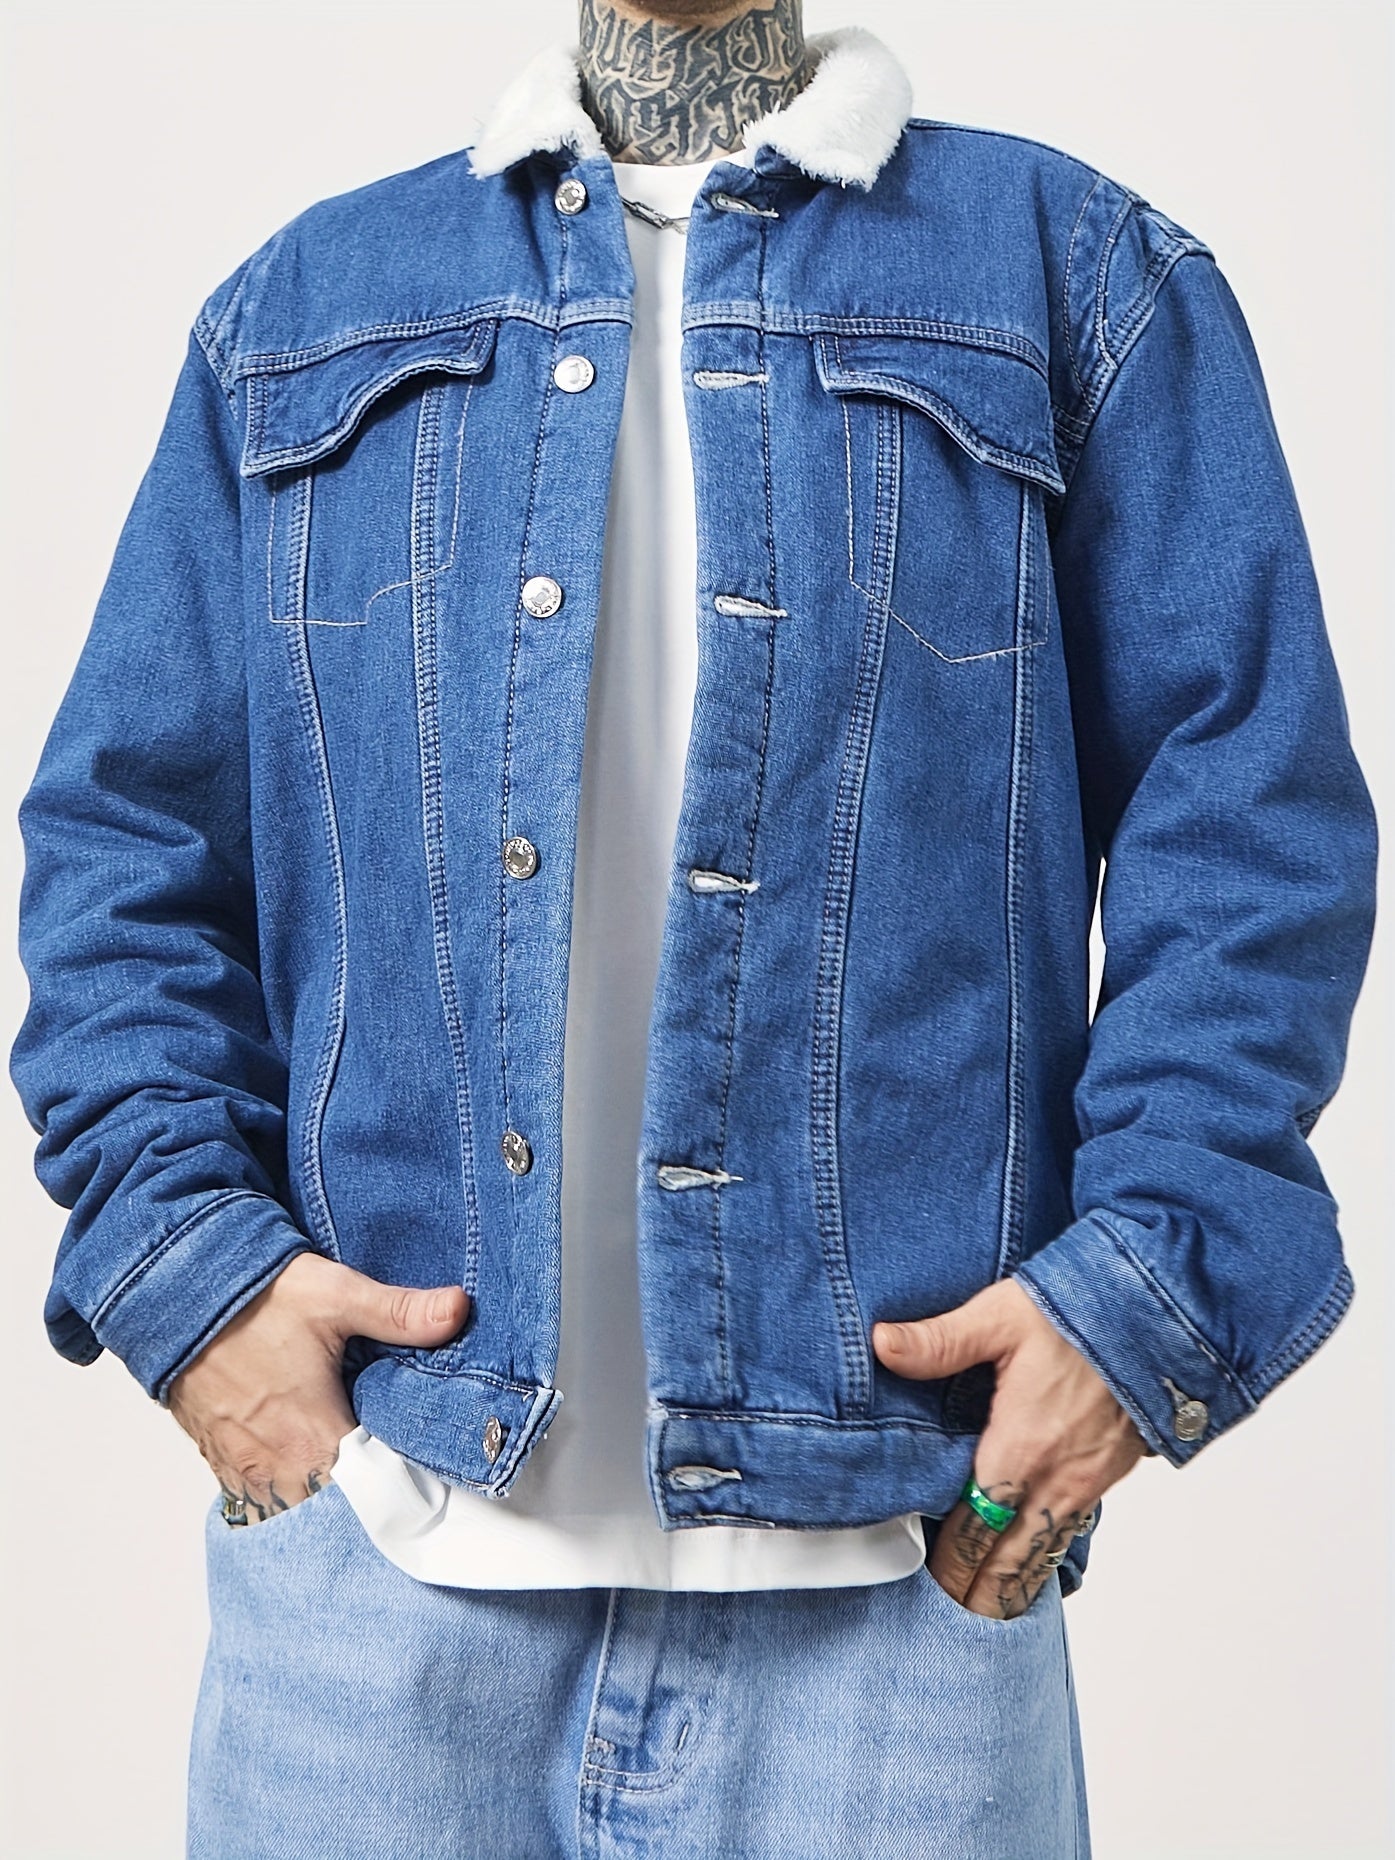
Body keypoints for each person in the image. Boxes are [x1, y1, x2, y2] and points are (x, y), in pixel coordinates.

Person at [9, 2, 1378, 1855]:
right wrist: (201, 1293)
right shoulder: (306, 306)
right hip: (380, 1603)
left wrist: (1134, 1309)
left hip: (899, 1607)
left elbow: (1253, 828)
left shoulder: (1075, 278)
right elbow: (124, 843)